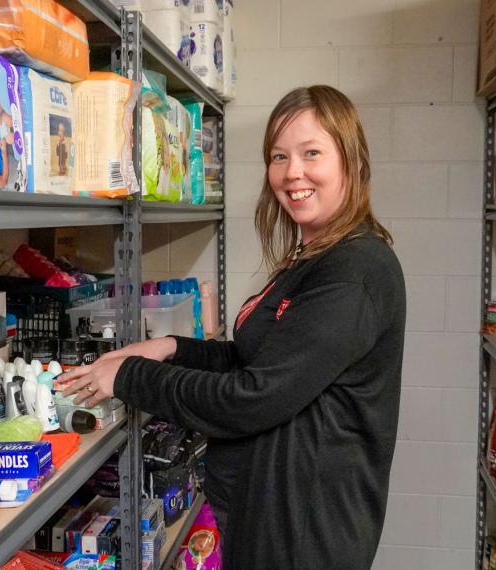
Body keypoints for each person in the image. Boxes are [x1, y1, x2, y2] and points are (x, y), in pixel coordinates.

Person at [61, 85, 406, 567]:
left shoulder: (355, 271)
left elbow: (254, 396)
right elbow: (258, 357)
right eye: (279, 156)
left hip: (306, 538)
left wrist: (128, 378)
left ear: (351, 160)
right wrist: (170, 347)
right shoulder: (316, 255)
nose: (293, 173)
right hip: (273, 519)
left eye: (312, 153)